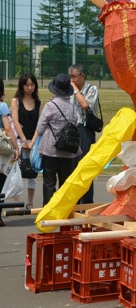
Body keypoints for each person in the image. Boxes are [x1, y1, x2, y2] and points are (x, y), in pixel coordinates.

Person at [32, 74, 80, 206]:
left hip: (50, 150)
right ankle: (63, 210)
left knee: (49, 183)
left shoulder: (50, 106)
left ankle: (48, 210)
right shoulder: (73, 107)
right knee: (65, 183)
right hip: (68, 150)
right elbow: (76, 122)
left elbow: (40, 128)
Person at [10, 73, 41, 209]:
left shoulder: (38, 102)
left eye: (32, 85)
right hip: (19, 141)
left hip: (33, 141)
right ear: (22, 86)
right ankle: (16, 203)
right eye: (27, 85)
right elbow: (15, 121)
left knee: (32, 174)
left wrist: (32, 142)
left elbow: (40, 124)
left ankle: (30, 202)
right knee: (16, 173)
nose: (29, 88)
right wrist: (23, 140)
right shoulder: (16, 101)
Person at [69, 63, 98, 204]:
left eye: (74, 76)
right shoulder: (69, 90)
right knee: (72, 167)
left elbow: (86, 105)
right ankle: (74, 202)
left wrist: (75, 90)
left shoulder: (92, 89)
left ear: (82, 76)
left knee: (85, 167)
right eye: (70, 77)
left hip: (86, 130)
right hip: (72, 130)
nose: (72, 80)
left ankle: (86, 203)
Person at [0, 78, 19, 226]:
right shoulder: (2, 106)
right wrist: (15, 146)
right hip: (1, 149)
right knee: (1, 182)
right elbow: (7, 128)